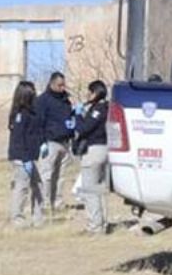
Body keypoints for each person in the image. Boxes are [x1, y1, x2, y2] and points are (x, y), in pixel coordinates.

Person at [35, 71, 76, 216]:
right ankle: (44, 202)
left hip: (65, 142)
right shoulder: (43, 100)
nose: (62, 88)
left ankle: (57, 202)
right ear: (52, 84)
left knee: (60, 176)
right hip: (50, 142)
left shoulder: (66, 100)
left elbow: (70, 119)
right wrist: (41, 142)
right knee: (46, 175)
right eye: (59, 85)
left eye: (63, 85)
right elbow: (38, 122)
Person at [72, 80, 110, 235]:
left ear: (95, 93)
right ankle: (101, 222)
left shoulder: (98, 110)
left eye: (90, 91)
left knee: (90, 191)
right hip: (103, 151)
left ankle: (95, 226)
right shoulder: (105, 108)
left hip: (94, 151)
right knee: (98, 190)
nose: (87, 95)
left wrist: (78, 115)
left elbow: (84, 128)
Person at [7, 81, 44, 228]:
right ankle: (17, 218)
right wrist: (24, 159)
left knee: (38, 186)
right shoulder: (20, 115)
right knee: (22, 187)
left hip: (31, 156)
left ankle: (38, 218)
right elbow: (18, 139)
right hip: (22, 158)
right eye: (33, 92)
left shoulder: (32, 112)